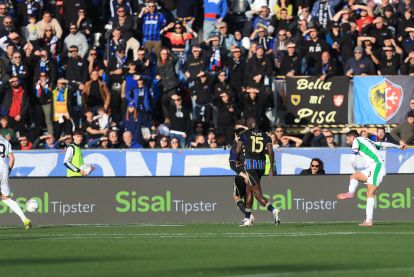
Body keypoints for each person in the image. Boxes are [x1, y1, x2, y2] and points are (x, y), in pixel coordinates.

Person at [337, 130, 406, 227]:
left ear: (352, 138)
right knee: (354, 176)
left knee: (370, 193)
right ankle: (350, 193)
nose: (347, 141)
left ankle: (369, 220)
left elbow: (352, 160)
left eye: (347, 139)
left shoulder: (356, 141)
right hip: (372, 168)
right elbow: (384, 144)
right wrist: (398, 146)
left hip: (377, 167)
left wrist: (355, 168)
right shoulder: (368, 140)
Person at [235, 117, 280, 226]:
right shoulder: (266, 135)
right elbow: (270, 152)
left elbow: (238, 149)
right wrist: (270, 168)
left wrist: (237, 160)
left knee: (258, 194)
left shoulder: (244, 134)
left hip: (250, 166)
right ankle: (247, 218)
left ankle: (274, 210)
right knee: (249, 190)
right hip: (261, 166)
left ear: (249, 124)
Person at [0, 135, 32, 229]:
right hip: (4, 171)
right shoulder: (6, 141)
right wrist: (8, 171)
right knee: (6, 198)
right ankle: (24, 218)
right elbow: (12, 158)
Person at [229, 127, 255, 224]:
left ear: (236, 135)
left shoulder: (235, 146)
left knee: (236, 196)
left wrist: (244, 176)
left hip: (242, 175)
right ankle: (247, 218)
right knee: (248, 195)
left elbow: (232, 165)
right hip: (254, 174)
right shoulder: (250, 145)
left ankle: (249, 216)